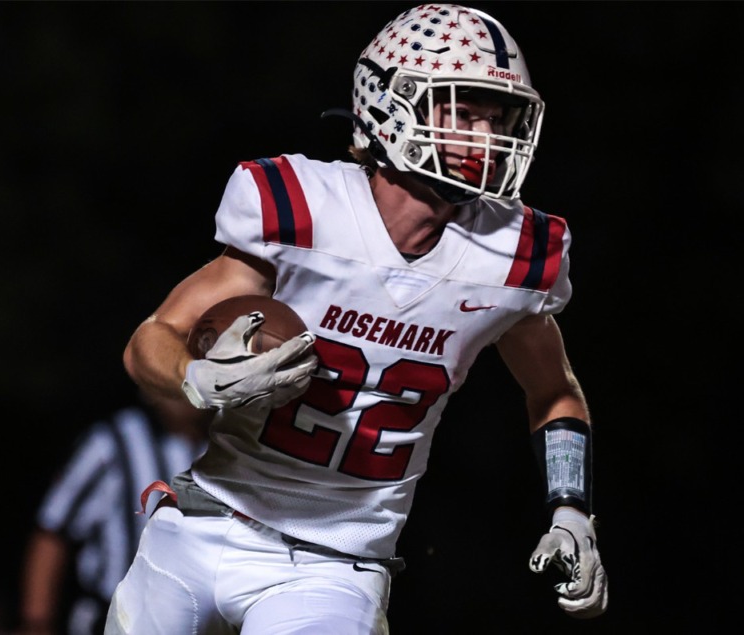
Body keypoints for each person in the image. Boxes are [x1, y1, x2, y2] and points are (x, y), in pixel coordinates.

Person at [106, 4, 609, 633]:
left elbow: (554, 389)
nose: (487, 133)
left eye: (498, 114)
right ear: (391, 106)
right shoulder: (304, 210)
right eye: (464, 110)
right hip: (205, 523)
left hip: (335, 564)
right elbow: (153, 338)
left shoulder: (512, 256)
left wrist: (571, 510)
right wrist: (193, 378)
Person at [18, 390, 210, 635]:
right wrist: (37, 623)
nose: (186, 391)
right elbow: (53, 529)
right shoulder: (112, 442)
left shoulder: (232, 445)